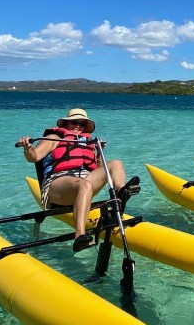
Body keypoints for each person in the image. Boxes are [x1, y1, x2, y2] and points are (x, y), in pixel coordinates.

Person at [17, 108, 136, 252]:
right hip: (57, 186)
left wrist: (99, 154)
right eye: (74, 122)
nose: (78, 126)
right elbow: (34, 157)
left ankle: (121, 195)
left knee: (115, 163)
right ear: (66, 124)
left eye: (82, 123)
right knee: (84, 185)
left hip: (84, 184)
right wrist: (28, 148)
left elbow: (98, 170)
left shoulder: (89, 143)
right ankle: (80, 236)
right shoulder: (54, 138)